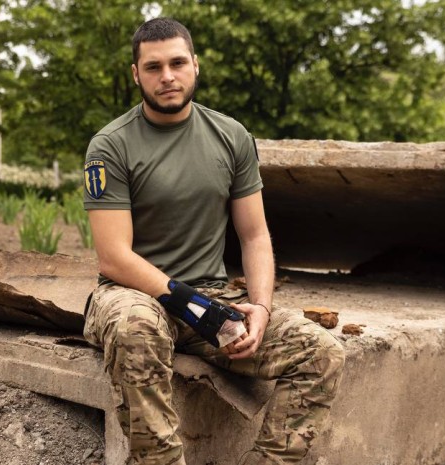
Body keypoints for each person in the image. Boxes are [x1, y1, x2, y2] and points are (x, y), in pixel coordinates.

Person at [82, 17, 345, 465]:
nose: (167, 76)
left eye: (177, 63)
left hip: (212, 296)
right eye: (153, 67)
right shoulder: (110, 146)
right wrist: (188, 304)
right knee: (136, 329)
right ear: (135, 74)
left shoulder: (232, 136)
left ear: (195, 66)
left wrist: (260, 307)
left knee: (322, 353)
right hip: (135, 296)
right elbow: (114, 257)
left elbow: (255, 234)